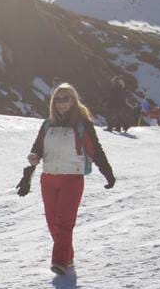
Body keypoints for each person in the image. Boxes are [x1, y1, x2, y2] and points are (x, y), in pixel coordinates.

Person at [19, 83, 117, 276]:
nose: (61, 103)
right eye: (57, 99)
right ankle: (67, 256)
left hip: (72, 179)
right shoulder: (47, 125)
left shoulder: (82, 125)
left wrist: (107, 172)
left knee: (64, 222)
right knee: (52, 223)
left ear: (73, 100)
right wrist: (27, 174)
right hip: (48, 179)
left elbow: (95, 150)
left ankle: (59, 262)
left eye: (66, 99)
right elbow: (37, 149)